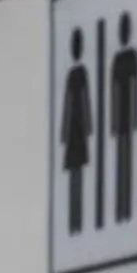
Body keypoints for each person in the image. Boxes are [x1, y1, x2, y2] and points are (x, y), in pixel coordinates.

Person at [109, 11, 137, 224]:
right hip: (123, 117)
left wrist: (135, 117)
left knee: (126, 162)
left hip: (126, 116)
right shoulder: (121, 58)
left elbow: (135, 88)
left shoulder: (129, 57)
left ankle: (126, 210)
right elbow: (114, 91)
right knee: (122, 162)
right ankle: (121, 210)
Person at [60, 32, 93, 237]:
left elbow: (82, 101)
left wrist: (87, 128)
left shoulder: (78, 74)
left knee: (77, 173)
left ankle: (77, 223)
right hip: (76, 130)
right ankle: (74, 223)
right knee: (75, 173)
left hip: (76, 130)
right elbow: (70, 103)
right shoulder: (76, 74)